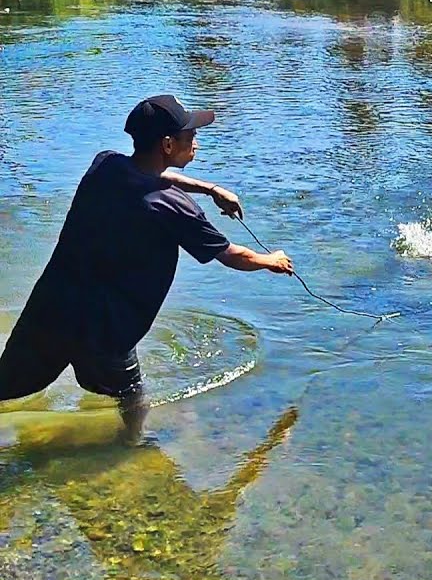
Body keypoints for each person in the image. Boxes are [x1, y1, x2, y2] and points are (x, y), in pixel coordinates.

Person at [0, 95, 295, 443]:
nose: (195, 143)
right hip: (106, 332)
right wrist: (271, 260)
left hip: (50, 310)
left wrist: (210, 188)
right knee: (132, 397)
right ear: (168, 144)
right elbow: (232, 256)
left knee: (6, 386)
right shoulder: (173, 208)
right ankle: (133, 447)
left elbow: (148, 175)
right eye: (190, 137)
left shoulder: (105, 166)